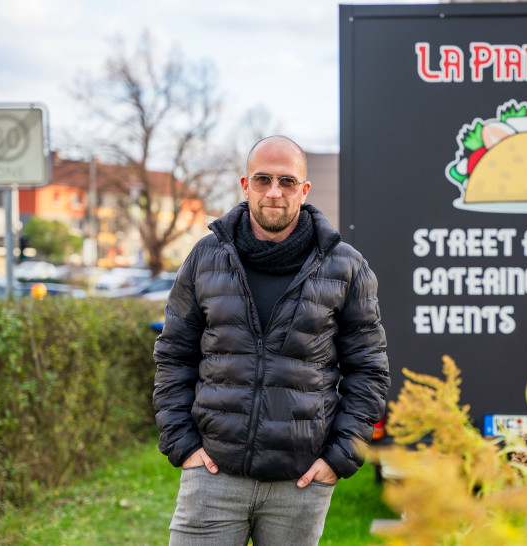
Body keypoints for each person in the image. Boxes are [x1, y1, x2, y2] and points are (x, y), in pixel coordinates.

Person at [153, 135, 390, 545]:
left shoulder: (346, 266)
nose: (274, 192)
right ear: (246, 186)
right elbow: (174, 355)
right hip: (212, 476)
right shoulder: (205, 257)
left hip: (299, 483)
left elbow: (369, 369)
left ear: (304, 190)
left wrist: (339, 457)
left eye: (287, 181)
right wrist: (182, 444)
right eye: (263, 180)